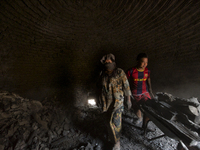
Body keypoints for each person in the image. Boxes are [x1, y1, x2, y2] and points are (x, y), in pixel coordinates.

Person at [97, 53, 132, 150]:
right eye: (106, 62)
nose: (108, 64)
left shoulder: (119, 72)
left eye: (110, 62)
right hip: (106, 103)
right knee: (108, 122)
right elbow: (100, 88)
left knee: (116, 122)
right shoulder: (102, 74)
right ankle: (112, 138)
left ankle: (117, 143)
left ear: (113, 62)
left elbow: (126, 86)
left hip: (118, 102)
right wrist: (99, 99)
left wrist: (128, 100)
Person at [126, 53, 154, 129]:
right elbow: (125, 81)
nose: (145, 64)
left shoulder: (147, 71)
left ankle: (144, 125)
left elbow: (148, 79)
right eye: (143, 62)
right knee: (137, 107)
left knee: (149, 108)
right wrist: (127, 94)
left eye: (146, 62)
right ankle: (140, 118)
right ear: (137, 61)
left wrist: (150, 91)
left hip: (145, 92)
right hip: (135, 93)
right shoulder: (131, 71)